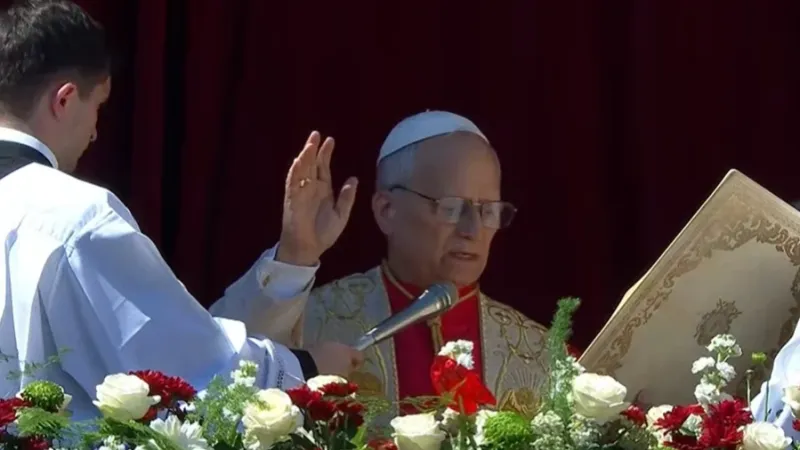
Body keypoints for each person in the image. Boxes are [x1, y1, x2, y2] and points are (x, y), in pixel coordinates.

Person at [0, 0, 361, 420]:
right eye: (97, 106)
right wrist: (309, 369)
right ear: (64, 100)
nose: (96, 131)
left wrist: (295, 256)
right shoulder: (73, 215)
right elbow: (185, 373)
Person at [212, 110, 556, 418]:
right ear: (386, 210)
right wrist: (295, 255)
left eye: (488, 211)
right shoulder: (315, 321)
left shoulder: (539, 353)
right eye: (451, 208)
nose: (472, 230)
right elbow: (216, 367)